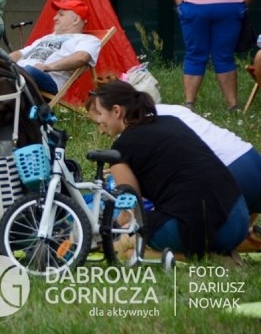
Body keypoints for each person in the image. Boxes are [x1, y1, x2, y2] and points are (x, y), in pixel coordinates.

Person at [88, 80, 249, 259]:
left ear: (117, 111)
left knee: (125, 249)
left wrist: (107, 231)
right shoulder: (171, 122)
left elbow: (131, 208)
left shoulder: (121, 149)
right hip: (239, 219)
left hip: (200, 228)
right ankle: (218, 251)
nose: (101, 129)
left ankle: (211, 258)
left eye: (100, 115)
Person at [86, 93, 261, 217]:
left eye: (99, 119)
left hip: (227, 173)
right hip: (252, 160)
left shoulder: (135, 131)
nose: (100, 130)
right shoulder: (166, 111)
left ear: (116, 111)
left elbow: (138, 191)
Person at [8, 0, 101, 94]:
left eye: (61, 15)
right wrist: (1, 60)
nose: (54, 18)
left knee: (27, 71)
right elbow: (21, 53)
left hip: (47, 78)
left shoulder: (88, 40)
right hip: (21, 71)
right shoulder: (48, 37)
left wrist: (48, 67)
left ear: (76, 20)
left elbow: (81, 57)